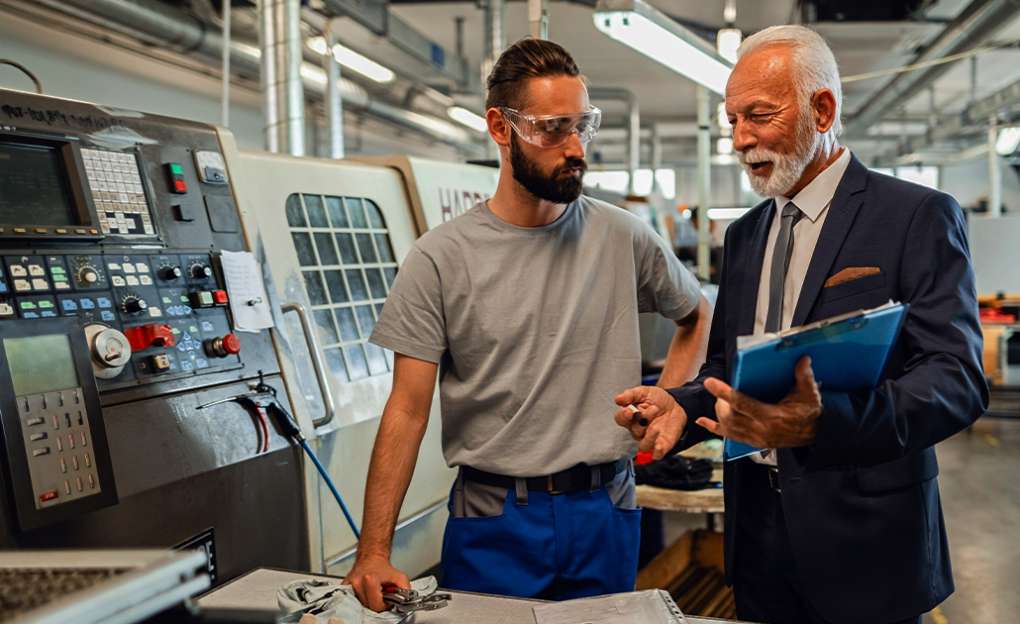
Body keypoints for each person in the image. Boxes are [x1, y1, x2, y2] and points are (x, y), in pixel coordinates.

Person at [614, 25, 987, 624]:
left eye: (758, 116)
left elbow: (956, 379)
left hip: (868, 541)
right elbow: (725, 369)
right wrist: (683, 406)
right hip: (758, 537)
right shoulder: (744, 235)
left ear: (823, 108)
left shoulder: (913, 216)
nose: (740, 139)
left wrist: (823, 423)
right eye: (731, 121)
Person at [344, 38, 711, 610]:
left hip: (604, 508)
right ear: (500, 126)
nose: (574, 148)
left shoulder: (624, 236)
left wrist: (671, 403)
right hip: (494, 517)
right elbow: (407, 408)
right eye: (551, 128)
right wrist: (373, 550)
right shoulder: (440, 257)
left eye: (583, 126)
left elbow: (696, 314)